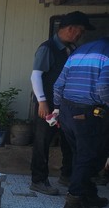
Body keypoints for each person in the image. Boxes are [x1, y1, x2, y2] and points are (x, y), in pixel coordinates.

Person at [29, 11, 94, 195]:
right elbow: (36, 75)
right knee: (42, 142)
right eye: (81, 31)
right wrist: (42, 101)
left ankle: (67, 175)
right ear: (70, 29)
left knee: (68, 140)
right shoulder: (47, 48)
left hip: (66, 105)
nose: (81, 34)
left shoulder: (72, 49)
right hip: (47, 104)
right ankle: (38, 180)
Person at [53, 37, 109, 208]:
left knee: (80, 155)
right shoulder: (107, 53)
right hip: (88, 112)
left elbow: (58, 85)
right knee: (89, 157)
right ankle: (74, 202)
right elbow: (103, 88)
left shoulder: (78, 52)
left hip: (67, 111)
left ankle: (89, 195)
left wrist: (57, 108)